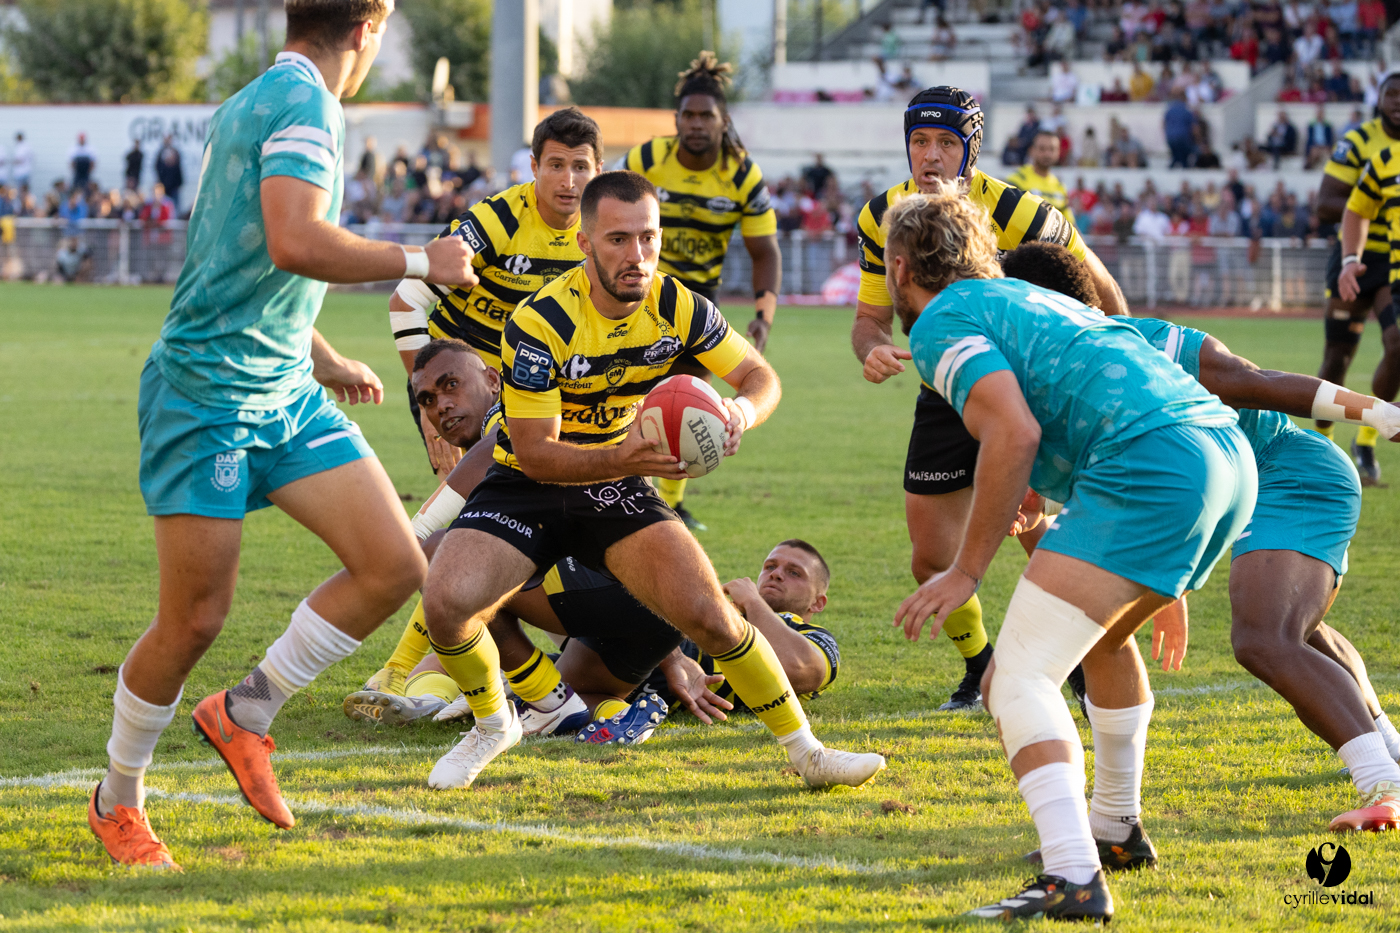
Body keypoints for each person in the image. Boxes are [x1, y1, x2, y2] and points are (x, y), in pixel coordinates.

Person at [87, 0, 478, 871]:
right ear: (370, 28)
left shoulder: (256, 98)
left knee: (393, 563)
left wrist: (326, 354)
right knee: (193, 619)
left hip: (285, 390)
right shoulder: (303, 107)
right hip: (206, 396)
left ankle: (246, 711)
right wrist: (422, 259)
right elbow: (295, 240)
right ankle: (118, 800)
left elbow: (238, 257)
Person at [415, 170, 884, 793]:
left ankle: (809, 753)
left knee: (712, 618)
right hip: (528, 479)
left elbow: (760, 377)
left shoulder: (678, 304)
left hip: (617, 478)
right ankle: (492, 723)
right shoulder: (539, 322)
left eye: (648, 238)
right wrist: (633, 456)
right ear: (585, 244)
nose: (637, 256)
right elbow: (539, 455)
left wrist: (737, 414)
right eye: (617, 240)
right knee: (446, 601)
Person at [886, 187, 1254, 921]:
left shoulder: (942, 321)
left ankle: (1073, 874)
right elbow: (1081, 397)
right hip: (1221, 454)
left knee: (1016, 677)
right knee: (1103, 637)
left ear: (899, 268)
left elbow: (1012, 433)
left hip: (1150, 466)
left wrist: (966, 569)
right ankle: (1115, 827)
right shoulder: (1024, 298)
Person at [1003, 241, 1400, 835]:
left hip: (1286, 473)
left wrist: (1377, 412)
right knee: (1297, 628)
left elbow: (1256, 383)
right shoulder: (1041, 378)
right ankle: (1390, 746)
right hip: (1220, 490)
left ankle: (1384, 783)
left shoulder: (1143, 345)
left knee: (1264, 636)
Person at [850, 86, 1129, 712]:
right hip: (943, 385)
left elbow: (1098, 286)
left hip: (1026, 391)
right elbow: (870, 319)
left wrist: (1119, 355)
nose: (930, 156)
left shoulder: (1021, 212)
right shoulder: (880, 216)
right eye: (920, 141)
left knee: (1041, 535)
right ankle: (980, 668)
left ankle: (1081, 667)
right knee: (930, 556)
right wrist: (869, 347)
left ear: (970, 151)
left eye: (946, 142)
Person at [388, 108, 602, 479]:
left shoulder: (600, 232)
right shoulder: (496, 221)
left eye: (580, 167)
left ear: (598, 170)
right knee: (479, 498)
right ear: (534, 167)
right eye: (555, 165)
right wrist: (428, 400)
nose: (568, 180)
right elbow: (405, 301)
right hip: (458, 381)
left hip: (531, 384)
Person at [624, 53, 782, 531]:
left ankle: (667, 503)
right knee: (634, 394)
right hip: (642, 295)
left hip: (698, 302)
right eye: (688, 115)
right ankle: (629, 490)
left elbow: (765, 251)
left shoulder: (743, 175)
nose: (696, 124)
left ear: (723, 120)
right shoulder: (647, 160)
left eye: (705, 116)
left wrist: (763, 314)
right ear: (676, 120)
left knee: (688, 397)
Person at [1314, 69, 1400, 483]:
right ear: (1379, 99)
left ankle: (1366, 441)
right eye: (1392, 94)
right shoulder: (1360, 143)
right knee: (1338, 358)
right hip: (1356, 255)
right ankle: (1324, 442)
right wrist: (1382, 197)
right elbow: (1326, 204)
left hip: (1394, 264)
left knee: (1397, 344)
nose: (1398, 101)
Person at [1007, 130, 1075, 226]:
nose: (1047, 154)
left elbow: (1071, 226)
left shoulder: (1060, 187)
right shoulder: (1018, 180)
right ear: (1032, 150)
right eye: (1042, 149)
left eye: (1052, 149)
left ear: (1059, 152)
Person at [1164, 91, 1197, 167]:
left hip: (1171, 137)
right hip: (1182, 137)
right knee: (1184, 158)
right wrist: (1198, 139)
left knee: (1175, 156)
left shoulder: (1170, 110)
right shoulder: (1186, 111)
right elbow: (1194, 128)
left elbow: (1164, 124)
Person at [155, 136, 184, 212]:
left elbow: (179, 170)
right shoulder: (161, 153)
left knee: (175, 208)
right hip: (164, 187)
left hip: (174, 187)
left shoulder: (175, 152)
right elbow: (157, 167)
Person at [1306, 105, 1335, 169]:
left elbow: (1330, 138)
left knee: (1328, 155)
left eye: (1321, 113)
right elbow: (1310, 139)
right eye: (1318, 113)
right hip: (1315, 146)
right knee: (1314, 152)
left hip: (1325, 146)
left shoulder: (1328, 125)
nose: (1319, 114)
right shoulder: (1311, 125)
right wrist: (1314, 146)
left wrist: (1328, 146)